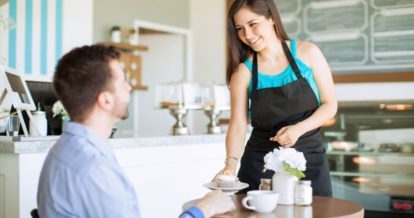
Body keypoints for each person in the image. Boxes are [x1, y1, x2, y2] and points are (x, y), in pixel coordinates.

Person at [37, 45, 235, 218]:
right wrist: (201, 210)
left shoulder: (63, 150)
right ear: (105, 100)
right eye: (123, 82)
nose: (129, 87)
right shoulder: (93, 169)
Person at [214, 0, 337, 196]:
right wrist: (230, 166)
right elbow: (238, 123)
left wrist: (298, 129)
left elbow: (330, 105)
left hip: (309, 160)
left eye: (253, 24)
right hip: (259, 164)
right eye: (240, 28)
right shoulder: (243, 72)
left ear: (271, 18)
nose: (247, 35)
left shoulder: (308, 53)